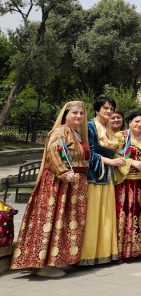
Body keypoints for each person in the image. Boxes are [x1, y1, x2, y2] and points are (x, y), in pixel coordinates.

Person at [11, 101, 90, 277]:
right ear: (65, 114)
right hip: (60, 184)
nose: (78, 116)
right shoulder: (60, 131)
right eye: (74, 112)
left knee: (64, 222)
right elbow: (54, 150)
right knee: (53, 220)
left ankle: (52, 261)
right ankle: (42, 264)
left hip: (74, 185)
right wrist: (63, 172)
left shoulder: (77, 134)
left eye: (81, 113)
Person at [81, 96, 123, 265]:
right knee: (93, 216)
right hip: (94, 177)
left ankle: (103, 253)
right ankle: (87, 256)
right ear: (97, 110)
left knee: (106, 216)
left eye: (111, 109)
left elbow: (113, 153)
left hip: (108, 177)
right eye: (105, 108)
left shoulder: (109, 130)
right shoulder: (90, 126)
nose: (109, 111)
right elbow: (88, 153)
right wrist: (111, 162)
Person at [114, 110, 141, 260]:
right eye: (137, 121)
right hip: (125, 181)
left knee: (138, 215)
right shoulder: (121, 136)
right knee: (123, 214)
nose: (139, 125)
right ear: (129, 122)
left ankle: (136, 250)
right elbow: (114, 155)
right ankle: (121, 251)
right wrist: (131, 162)